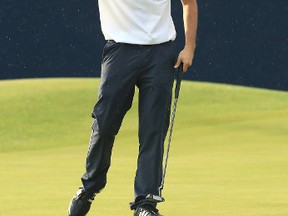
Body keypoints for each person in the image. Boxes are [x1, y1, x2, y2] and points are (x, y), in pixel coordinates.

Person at [68, 0, 198, 215]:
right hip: (120, 51)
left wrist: (189, 47)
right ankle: (91, 185)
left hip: (160, 53)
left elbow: (189, 3)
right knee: (104, 124)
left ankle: (145, 203)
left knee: (153, 131)